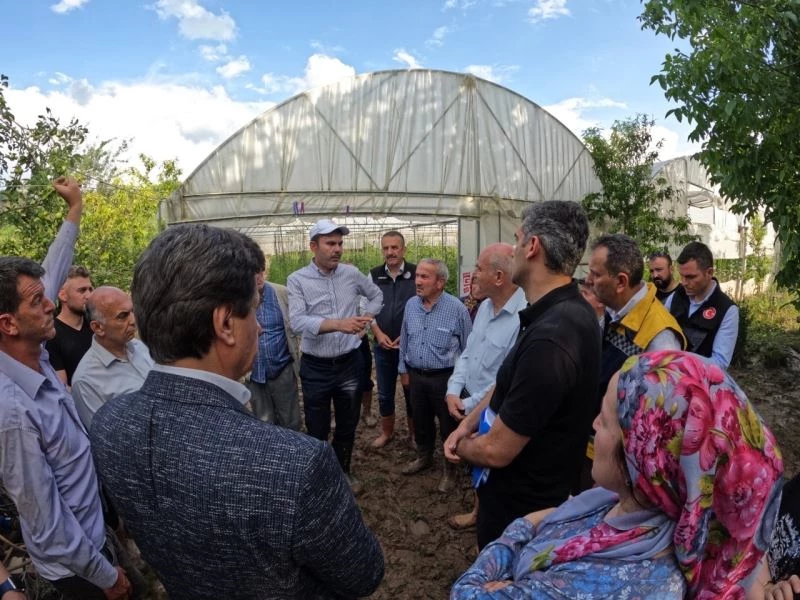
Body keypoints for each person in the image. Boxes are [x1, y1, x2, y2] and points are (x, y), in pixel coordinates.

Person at [90, 224, 384, 600]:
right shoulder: (295, 464)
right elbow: (363, 575)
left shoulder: (109, 424)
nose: (260, 327)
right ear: (226, 324)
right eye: (254, 312)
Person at [451, 351, 783, 599]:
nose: (594, 424)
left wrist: (517, 534)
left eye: (607, 421)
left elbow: (465, 592)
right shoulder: (647, 505)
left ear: (644, 458)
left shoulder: (616, 584)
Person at [0, 178, 134, 600]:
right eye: (39, 301)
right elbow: (46, 523)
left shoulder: (32, 353)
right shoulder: (13, 413)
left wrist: (74, 209)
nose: (52, 305)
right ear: (8, 323)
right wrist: (105, 577)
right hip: (77, 570)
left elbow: (52, 269)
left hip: (94, 536)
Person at [445, 201, 601, 549]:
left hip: (522, 514)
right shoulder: (559, 313)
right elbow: (506, 381)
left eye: (517, 240)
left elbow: (496, 451)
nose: (513, 250)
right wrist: (469, 422)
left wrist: (460, 445)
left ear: (533, 247)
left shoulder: (553, 336)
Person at [287, 218, 383, 494]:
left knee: (347, 422)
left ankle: (343, 470)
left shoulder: (351, 274)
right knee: (316, 426)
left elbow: (376, 296)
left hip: (349, 364)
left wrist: (366, 318)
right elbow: (297, 322)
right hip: (316, 366)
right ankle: (320, 477)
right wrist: (338, 324)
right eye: (331, 243)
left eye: (340, 243)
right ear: (313, 247)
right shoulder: (297, 280)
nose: (337, 249)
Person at [445, 243, 527, 530]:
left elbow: (504, 378)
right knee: (478, 466)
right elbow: (467, 353)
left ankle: (488, 520)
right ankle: (478, 511)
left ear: (499, 277)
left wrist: (469, 407)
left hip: (496, 408)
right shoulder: (483, 308)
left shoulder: (523, 318)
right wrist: (454, 390)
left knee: (494, 467)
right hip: (468, 401)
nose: (474, 274)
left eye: (479, 268)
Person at [399, 258, 472, 493]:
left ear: (440, 282)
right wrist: (403, 369)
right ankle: (424, 456)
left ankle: (450, 470)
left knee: (448, 424)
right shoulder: (411, 305)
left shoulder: (456, 309)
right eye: (417, 276)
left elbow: (468, 348)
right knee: (420, 419)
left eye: (424, 277)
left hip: (446, 379)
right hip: (416, 375)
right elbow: (405, 338)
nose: (417, 281)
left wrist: (462, 384)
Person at [71, 286, 154, 429]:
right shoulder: (86, 381)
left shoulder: (141, 348)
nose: (133, 320)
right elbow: (103, 438)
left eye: (132, 311)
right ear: (98, 328)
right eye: (123, 316)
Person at [243, 237, 301, 430]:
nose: (257, 277)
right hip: (254, 374)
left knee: (290, 420)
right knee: (263, 422)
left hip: (281, 368)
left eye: (260, 271)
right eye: (252, 273)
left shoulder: (282, 293)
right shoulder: (239, 300)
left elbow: (297, 324)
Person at [369, 231, 417, 448]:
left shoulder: (417, 273)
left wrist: (409, 335)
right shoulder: (374, 275)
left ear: (403, 249)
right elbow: (366, 309)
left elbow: (425, 306)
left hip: (411, 347)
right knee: (386, 393)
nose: (390, 252)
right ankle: (387, 433)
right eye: (386, 248)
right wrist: (378, 333)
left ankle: (414, 436)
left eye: (394, 247)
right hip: (383, 346)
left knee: (412, 392)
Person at [667, 241, 739, 369]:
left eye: (690, 277)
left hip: (700, 384)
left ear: (709, 273)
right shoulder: (676, 296)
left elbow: (720, 363)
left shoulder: (727, 310)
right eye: (681, 276)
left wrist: (678, 360)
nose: (683, 282)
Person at [44, 264, 93, 385]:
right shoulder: (51, 334)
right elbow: (63, 387)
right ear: (62, 295)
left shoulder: (96, 326)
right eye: (82, 290)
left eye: (90, 289)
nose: (89, 295)